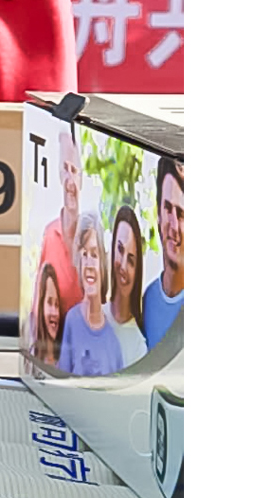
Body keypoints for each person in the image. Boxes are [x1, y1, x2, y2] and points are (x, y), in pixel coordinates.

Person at [58, 211, 124, 377]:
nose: (88, 264)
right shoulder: (72, 321)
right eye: (84, 255)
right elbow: (61, 383)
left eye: (94, 255)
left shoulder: (114, 339)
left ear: (102, 263)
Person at [141, 157, 185, 348]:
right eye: (167, 209)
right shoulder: (148, 299)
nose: (173, 226)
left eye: (181, 214)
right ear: (158, 215)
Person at [38, 130, 83, 312]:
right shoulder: (50, 235)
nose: (70, 180)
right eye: (65, 169)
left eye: (74, 170)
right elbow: (39, 303)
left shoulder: (91, 237)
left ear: (81, 179)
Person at [109, 205, 149, 365]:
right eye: (120, 249)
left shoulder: (139, 347)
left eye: (131, 260)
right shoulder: (93, 317)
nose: (124, 266)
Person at [29, 263, 64, 366]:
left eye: (56, 305)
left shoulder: (65, 360)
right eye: (49, 303)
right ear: (40, 305)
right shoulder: (31, 361)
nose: (55, 313)